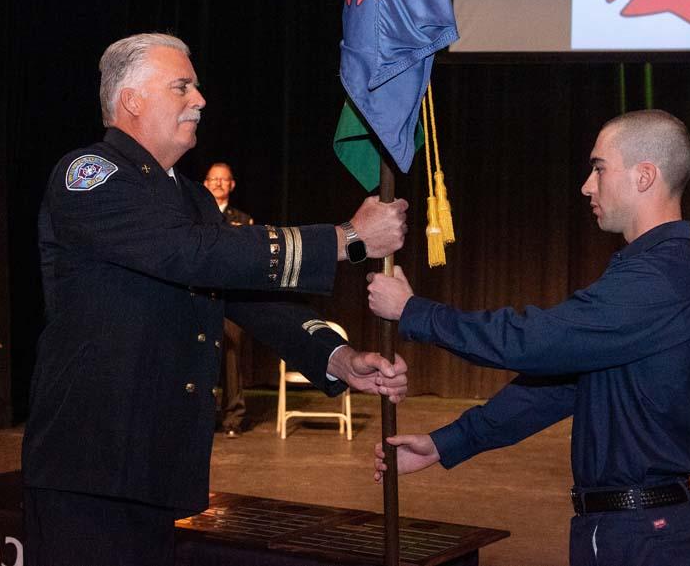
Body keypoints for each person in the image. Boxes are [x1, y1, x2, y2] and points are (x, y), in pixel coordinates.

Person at [22, 33, 411, 566]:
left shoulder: (188, 194)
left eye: (197, 88)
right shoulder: (90, 175)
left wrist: (336, 358)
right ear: (131, 100)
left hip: (155, 461)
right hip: (93, 463)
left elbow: (244, 295)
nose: (200, 100)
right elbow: (191, 253)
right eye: (181, 86)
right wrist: (345, 238)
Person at [367, 110, 690, 566]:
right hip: (624, 529)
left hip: (647, 538)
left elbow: (533, 342)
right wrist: (447, 443)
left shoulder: (660, 278)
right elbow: (556, 389)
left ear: (645, 175)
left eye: (599, 168)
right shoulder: (647, 272)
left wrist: (415, 312)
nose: (586, 186)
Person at [203, 162, 252, 436]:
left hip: (231, 301)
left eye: (224, 180)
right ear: (206, 184)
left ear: (232, 185)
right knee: (202, 358)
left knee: (231, 358)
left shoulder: (243, 221)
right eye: (214, 179)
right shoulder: (196, 219)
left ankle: (233, 418)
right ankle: (203, 417)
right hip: (201, 298)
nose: (219, 184)